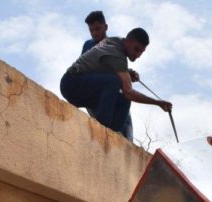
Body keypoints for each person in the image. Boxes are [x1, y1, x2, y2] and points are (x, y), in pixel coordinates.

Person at [60, 28, 172, 135]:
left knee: (124, 99)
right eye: (136, 49)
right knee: (116, 82)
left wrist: (126, 72)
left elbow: (105, 63)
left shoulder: (117, 41)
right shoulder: (116, 53)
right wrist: (157, 103)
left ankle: (113, 133)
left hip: (84, 86)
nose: (138, 55)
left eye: (141, 52)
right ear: (128, 41)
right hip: (71, 84)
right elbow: (128, 91)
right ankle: (102, 126)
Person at [80, 11, 135, 141]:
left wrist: (129, 74)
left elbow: (120, 73)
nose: (95, 33)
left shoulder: (116, 47)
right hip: (97, 97)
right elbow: (85, 71)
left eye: (98, 29)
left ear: (105, 27)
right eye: (91, 30)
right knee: (102, 131)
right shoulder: (88, 45)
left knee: (125, 133)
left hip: (116, 97)